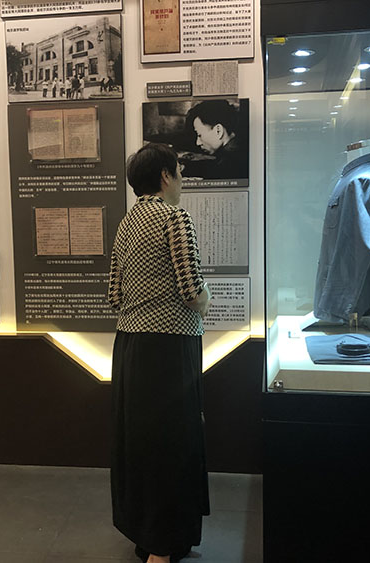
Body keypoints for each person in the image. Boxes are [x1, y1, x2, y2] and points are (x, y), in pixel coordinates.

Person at [108, 143, 212, 563]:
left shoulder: (126, 223)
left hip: (130, 347)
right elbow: (191, 288)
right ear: (166, 176)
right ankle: (164, 546)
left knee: (139, 443)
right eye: (179, 173)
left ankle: (146, 536)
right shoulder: (174, 218)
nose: (181, 181)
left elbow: (114, 296)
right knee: (173, 443)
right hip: (169, 348)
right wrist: (206, 301)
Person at [186, 99, 248, 180]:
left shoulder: (227, 166)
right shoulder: (239, 151)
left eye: (199, 135)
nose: (198, 142)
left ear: (218, 131)